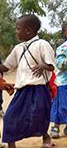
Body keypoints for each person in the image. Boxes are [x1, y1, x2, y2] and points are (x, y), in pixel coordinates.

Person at [0, 14, 55, 148]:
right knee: (10, 118)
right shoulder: (18, 48)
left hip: (39, 89)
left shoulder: (42, 44)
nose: (16, 31)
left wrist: (44, 65)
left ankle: (46, 137)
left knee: (38, 116)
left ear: (29, 30)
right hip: (22, 90)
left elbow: (52, 66)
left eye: (18, 29)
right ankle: (11, 145)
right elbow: (6, 67)